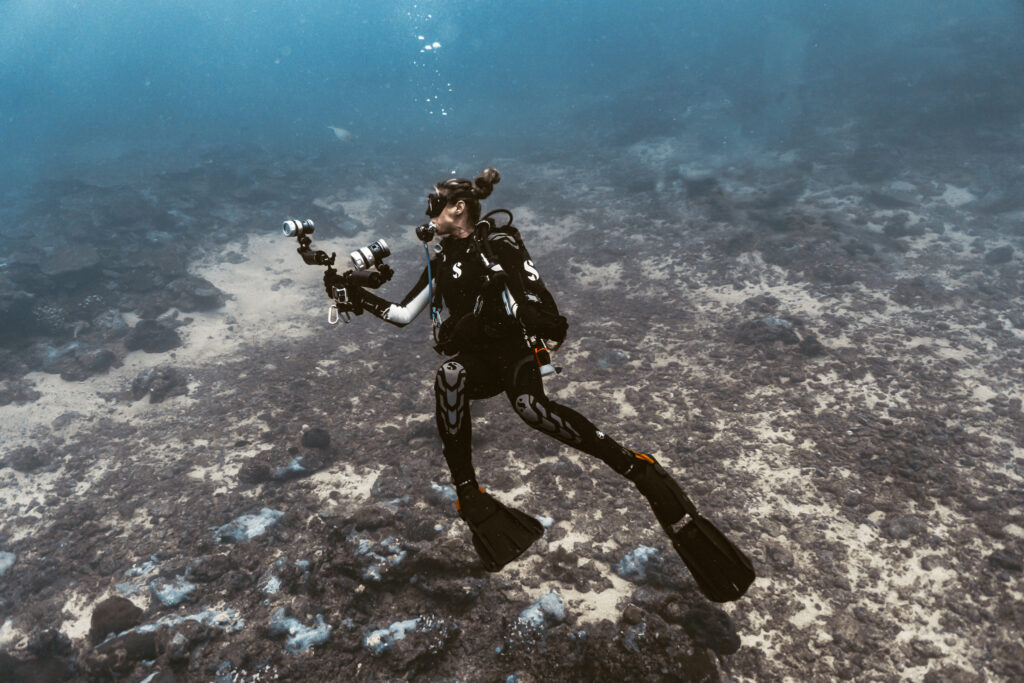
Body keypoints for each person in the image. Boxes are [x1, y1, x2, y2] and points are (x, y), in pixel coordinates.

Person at [336, 167, 753, 601]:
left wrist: (529, 313)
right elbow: (403, 315)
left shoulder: (498, 245)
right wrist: (356, 294)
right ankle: (470, 496)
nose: (429, 212)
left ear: (458, 207)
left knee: (532, 410)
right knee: (450, 375)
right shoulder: (440, 259)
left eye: (434, 203)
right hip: (478, 360)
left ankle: (636, 466)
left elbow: (534, 297)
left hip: (513, 353)